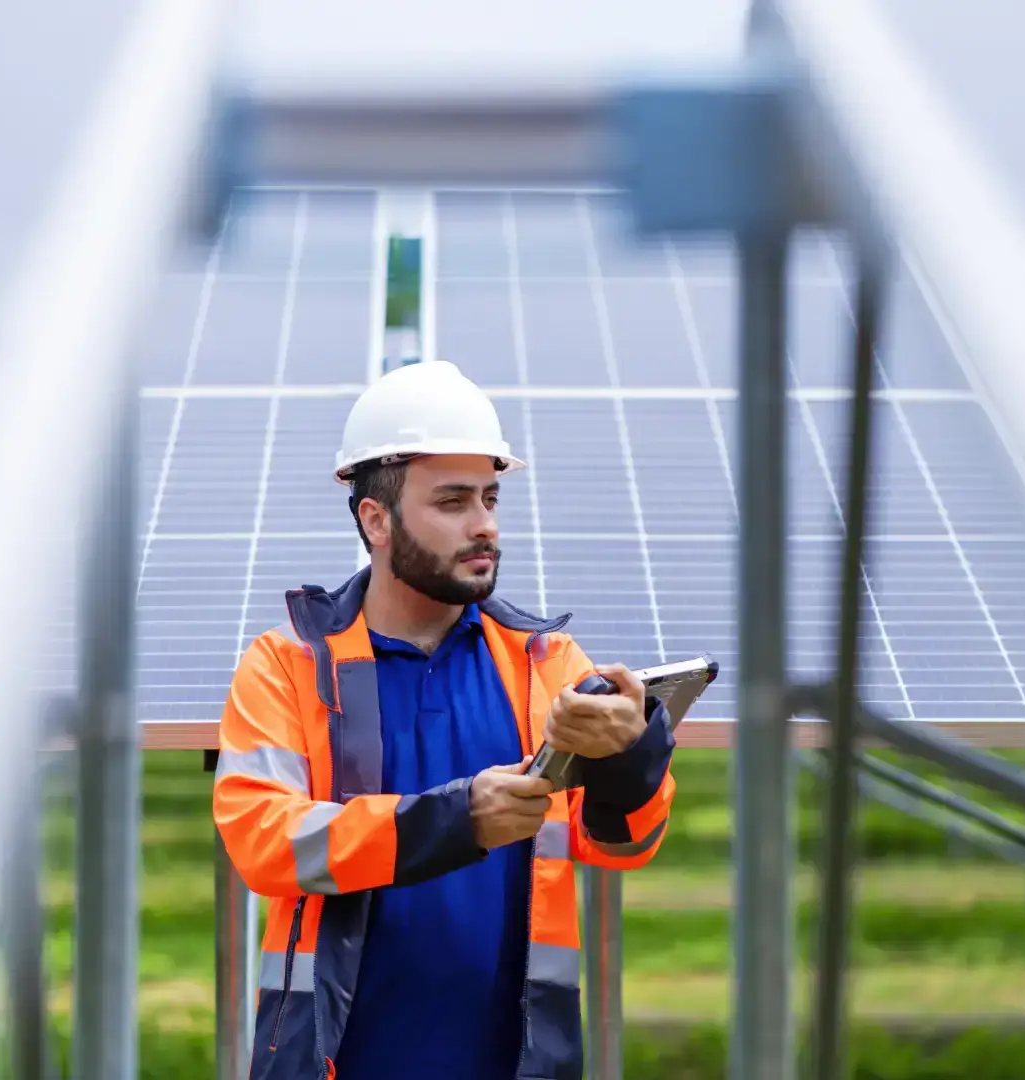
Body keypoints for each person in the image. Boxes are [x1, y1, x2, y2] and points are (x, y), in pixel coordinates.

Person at [212, 360, 677, 1080]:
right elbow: (265, 844)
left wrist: (629, 758)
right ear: (376, 520)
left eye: (490, 498)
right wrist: (460, 820)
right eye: (454, 501)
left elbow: (623, 845)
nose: (484, 524)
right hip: (330, 1060)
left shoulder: (543, 661)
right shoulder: (289, 665)